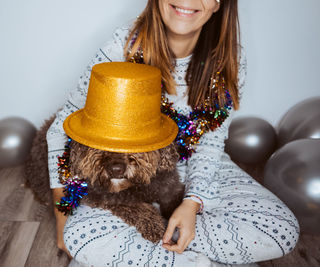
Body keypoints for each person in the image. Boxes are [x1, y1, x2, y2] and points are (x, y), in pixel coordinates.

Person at [46, 0, 299, 266]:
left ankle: (162, 245)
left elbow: (210, 141)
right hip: (122, 173)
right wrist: (62, 220)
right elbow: (61, 129)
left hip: (198, 167)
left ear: (219, 3)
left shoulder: (228, 58)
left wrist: (192, 203)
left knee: (281, 229)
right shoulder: (123, 46)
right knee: (78, 235)